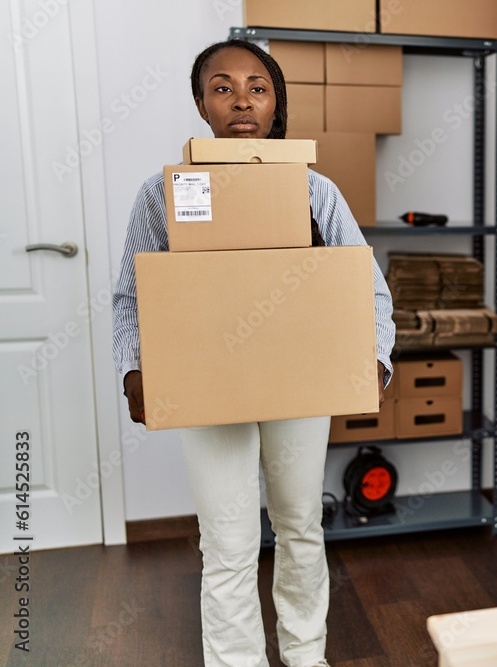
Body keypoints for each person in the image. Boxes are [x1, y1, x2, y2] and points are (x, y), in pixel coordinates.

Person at [111, 39, 395, 667]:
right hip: (210, 386)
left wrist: (375, 356)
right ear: (200, 104)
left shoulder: (314, 190)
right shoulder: (163, 196)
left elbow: (364, 284)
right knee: (229, 540)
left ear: (274, 104)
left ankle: (305, 656)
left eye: (257, 87)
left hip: (298, 384)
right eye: (223, 87)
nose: (241, 100)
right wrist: (134, 370)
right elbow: (131, 295)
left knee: (299, 527)